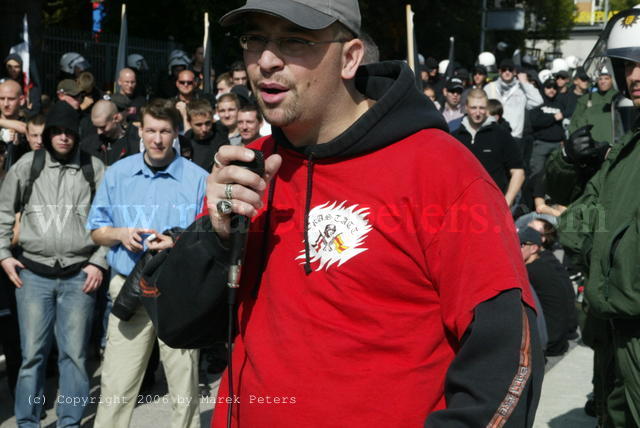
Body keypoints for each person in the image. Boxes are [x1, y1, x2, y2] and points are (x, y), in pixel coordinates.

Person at [176, 1, 543, 426]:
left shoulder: (443, 172)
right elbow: (179, 326)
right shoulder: (246, 168)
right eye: (255, 39)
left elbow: (507, 359)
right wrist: (214, 237)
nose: (267, 60)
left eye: (295, 40)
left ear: (349, 58)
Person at [88, 99, 207, 428]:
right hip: (129, 287)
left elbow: (210, 235)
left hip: (178, 292)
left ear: (176, 134)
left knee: (184, 388)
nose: (157, 139)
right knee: (116, 384)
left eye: (165, 131)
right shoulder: (118, 174)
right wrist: (120, 233)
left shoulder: (198, 178)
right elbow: (96, 231)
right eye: (151, 130)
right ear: (140, 131)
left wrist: (176, 241)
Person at [556, 7, 640, 426]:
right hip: (615, 327)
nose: (633, 77)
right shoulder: (626, 151)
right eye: (627, 66)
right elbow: (578, 226)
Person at [0, 102, 107, 426]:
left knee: (74, 357)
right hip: (33, 275)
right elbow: (4, 211)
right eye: (56, 132)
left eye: (69, 132)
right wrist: (4, 254)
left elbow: (112, 217)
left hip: (79, 276)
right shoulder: (27, 166)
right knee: (32, 355)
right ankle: (28, 421)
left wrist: (99, 263)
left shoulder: (94, 168)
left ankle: (70, 421)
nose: (63, 138)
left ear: (76, 135)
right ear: (47, 135)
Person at [452, 88, 525, 208]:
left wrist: (506, 203)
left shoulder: (502, 135)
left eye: (482, 108)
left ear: (487, 109)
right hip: (462, 205)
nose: (478, 112)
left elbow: (518, 172)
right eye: (473, 108)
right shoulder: (455, 137)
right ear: (466, 107)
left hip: (493, 205)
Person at [519, 226, 575, 357]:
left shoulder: (531, 271)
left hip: (549, 342)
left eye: (521, 244)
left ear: (534, 248)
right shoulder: (543, 264)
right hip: (558, 338)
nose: (515, 247)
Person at [484, 58, 543, 139]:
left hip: (514, 136)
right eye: (504, 69)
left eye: (510, 70)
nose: (507, 72)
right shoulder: (489, 87)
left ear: (515, 72)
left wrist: (525, 82)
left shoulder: (522, 88)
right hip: (492, 134)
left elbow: (538, 101)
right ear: (499, 72)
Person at [569, 67, 621, 146]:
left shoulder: (619, 98)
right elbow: (574, 124)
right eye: (600, 79)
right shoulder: (585, 99)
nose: (603, 81)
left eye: (606, 78)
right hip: (591, 145)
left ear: (612, 79)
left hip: (615, 144)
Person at [81, 100, 140, 166]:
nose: (99, 132)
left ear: (116, 118)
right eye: (96, 127)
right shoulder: (87, 145)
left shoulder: (134, 143)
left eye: (103, 127)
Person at [529, 77, 567, 177]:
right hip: (541, 144)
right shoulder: (537, 102)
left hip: (557, 145)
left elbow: (562, 125)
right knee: (537, 173)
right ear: (543, 88)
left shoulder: (559, 104)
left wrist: (563, 140)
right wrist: (553, 118)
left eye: (554, 87)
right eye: (548, 87)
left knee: (555, 173)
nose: (552, 90)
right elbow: (535, 122)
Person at [184, 99, 229, 171]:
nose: (204, 129)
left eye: (207, 123)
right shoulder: (186, 141)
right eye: (198, 125)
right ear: (189, 122)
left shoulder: (222, 139)